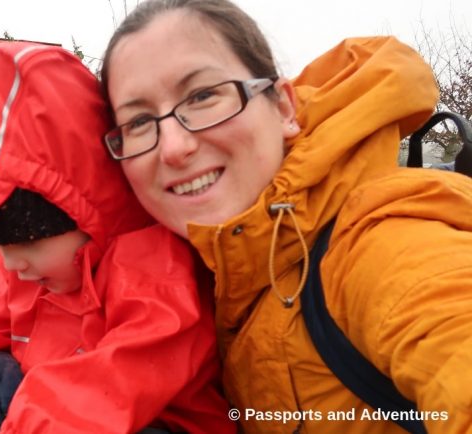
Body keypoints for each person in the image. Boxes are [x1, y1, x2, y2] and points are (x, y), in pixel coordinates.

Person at [99, 1, 472, 433]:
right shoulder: (209, 271)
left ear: (282, 108)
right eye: (140, 121)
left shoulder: (379, 237)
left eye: (203, 96)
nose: (173, 147)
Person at [0, 43, 235, 434]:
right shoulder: (29, 265)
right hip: (50, 419)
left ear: (88, 213)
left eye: (27, 242)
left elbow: (108, 388)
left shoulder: (159, 275)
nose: (12, 262)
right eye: (0, 245)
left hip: (155, 424)